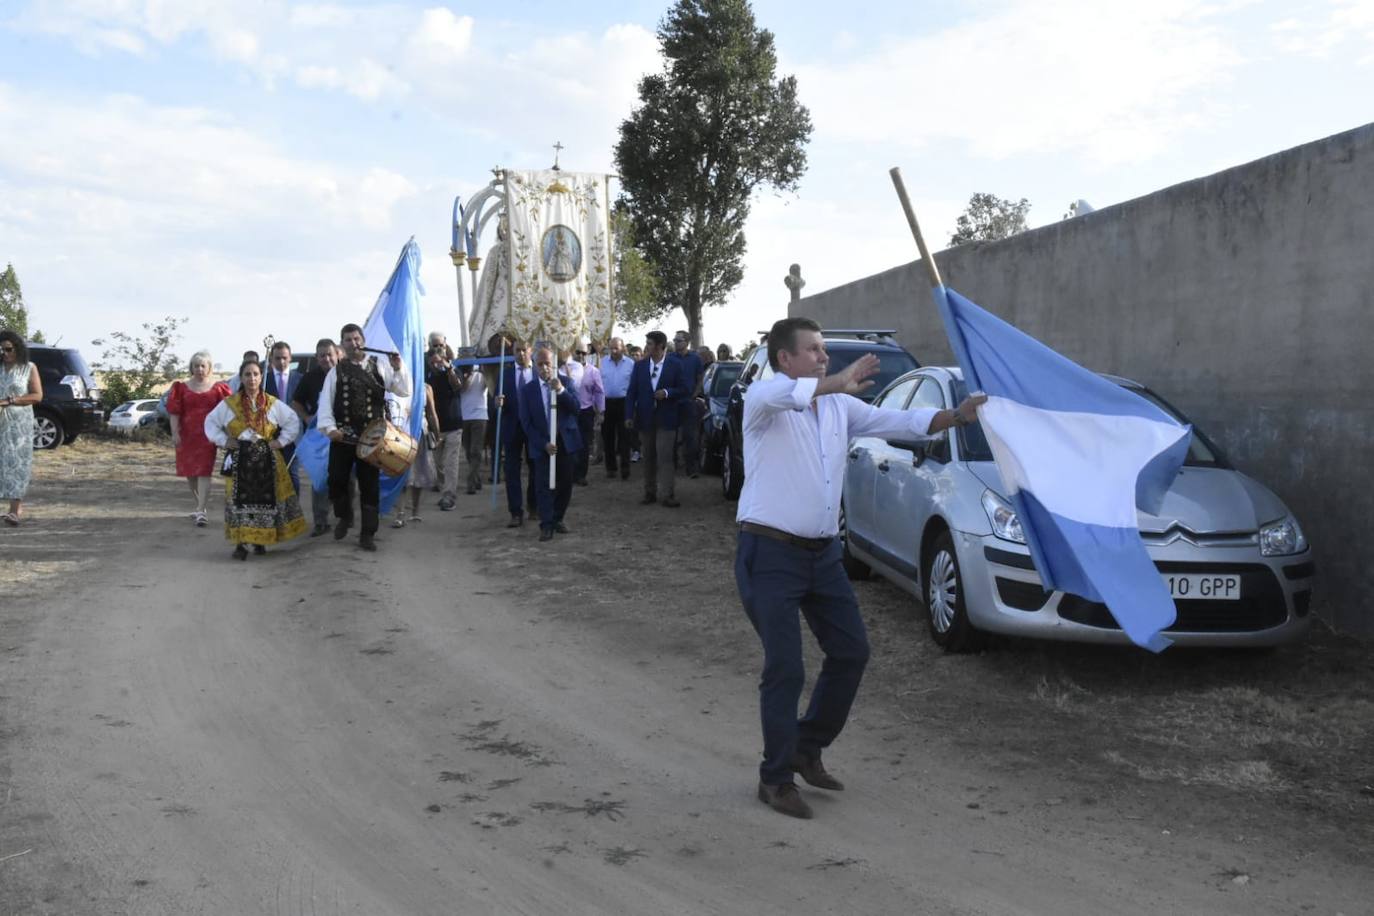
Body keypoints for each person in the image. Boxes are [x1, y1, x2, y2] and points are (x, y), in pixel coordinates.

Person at [736, 317, 985, 819]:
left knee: (851, 652)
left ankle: (807, 748)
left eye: (825, 350)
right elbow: (794, 394)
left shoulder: (839, 407)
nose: (824, 357)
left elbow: (902, 423)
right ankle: (776, 778)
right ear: (785, 359)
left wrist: (956, 416)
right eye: (814, 350)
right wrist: (836, 382)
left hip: (823, 556)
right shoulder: (763, 400)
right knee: (785, 667)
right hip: (770, 556)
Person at [317, 323, 410, 552]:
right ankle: (345, 517)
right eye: (348, 340)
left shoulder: (379, 365)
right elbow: (326, 404)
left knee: (369, 485)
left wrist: (398, 368)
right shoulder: (336, 371)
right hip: (344, 437)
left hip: (372, 438)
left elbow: (403, 390)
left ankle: (368, 533)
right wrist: (330, 429)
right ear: (342, 344)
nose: (353, 343)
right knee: (336, 479)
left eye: (356, 339)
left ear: (363, 340)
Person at [204, 360, 307, 559]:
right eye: (247, 374)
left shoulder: (271, 403)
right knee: (238, 502)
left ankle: (262, 540)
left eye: (256, 374)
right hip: (239, 459)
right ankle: (240, 544)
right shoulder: (229, 404)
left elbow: (292, 421)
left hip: (268, 459)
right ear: (241, 378)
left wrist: (281, 441)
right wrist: (224, 440)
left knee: (267, 499)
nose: (252, 378)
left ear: (261, 377)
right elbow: (210, 423)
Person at [518, 347, 581, 542]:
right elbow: (526, 423)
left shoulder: (566, 382)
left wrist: (561, 390)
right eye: (540, 364)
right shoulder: (528, 390)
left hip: (565, 442)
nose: (544, 368)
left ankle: (557, 518)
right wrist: (543, 443)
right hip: (542, 445)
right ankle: (546, 525)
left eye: (548, 363)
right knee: (543, 485)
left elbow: (576, 408)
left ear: (554, 364)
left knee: (565, 483)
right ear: (534, 365)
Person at [166, 350, 232, 527]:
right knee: (191, 474)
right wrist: (175, 432)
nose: (200, 369)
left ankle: (202, 510)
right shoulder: (180, 387)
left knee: (204, 471)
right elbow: (174, 412)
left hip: (208, 436)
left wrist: (229, 434)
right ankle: (199, 505)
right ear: (191, 367)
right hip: (186, 435)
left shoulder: (219, 388)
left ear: (209, 368)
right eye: (196, 366)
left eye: (203, 366)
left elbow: (228, 412)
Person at [626, 331, 688, 508]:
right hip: (646, 419)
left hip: (667, 419)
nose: (647, 346)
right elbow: (632, 392)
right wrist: (629, 415)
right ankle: (649, 492)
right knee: (649, 457)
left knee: (665, 457)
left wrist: (668, 393)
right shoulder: (640, 366)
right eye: (647, 342)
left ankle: (668, 494)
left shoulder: (675, 364)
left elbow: (684, 388)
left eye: (650, 343)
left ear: (661, 346)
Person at [290, 338, 339, 536]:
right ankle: (320, 522)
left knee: (346, 478)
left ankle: (345, 517)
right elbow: (296, 402)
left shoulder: (346, 374)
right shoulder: (310, 377)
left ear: (337, 355)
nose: (326, 359)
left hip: (344, 435)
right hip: (320, 437)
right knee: (319, 479)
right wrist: (307, 417)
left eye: (329, 354)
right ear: (316, 358)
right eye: (321, 355)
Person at [0, 330, 43, 527]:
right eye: (1, 350)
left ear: (18, 348)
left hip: (18, 424)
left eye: (8, 349)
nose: (5, 353)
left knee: (16, 464)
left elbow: (36, 396)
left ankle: (15, 510)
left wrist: (11, 400)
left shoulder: (28, 368)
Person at [494, 339, 538, 528]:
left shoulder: (538, 373)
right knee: (512, 470)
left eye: (524, 350)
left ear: (530, 351)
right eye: (517, 350)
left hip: (533, 427)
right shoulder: (505, 374)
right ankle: (515, 512)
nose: (521, 354)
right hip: (511, 426)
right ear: (513, 352)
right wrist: (497, 403)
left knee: (536, 467)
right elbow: (495, 402)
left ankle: (534, 506)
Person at [394, 381, 441, 527]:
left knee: (419, 472)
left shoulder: (425, 388)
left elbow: (432, 413)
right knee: (401, 472)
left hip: (420, 432)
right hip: (401, 432)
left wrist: (437, 434)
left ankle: (414, 511)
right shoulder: (397, 385)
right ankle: (401, 512)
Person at [426, 345, 464, 509]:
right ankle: (444, 490)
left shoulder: (454, 372)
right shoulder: (429, 377)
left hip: (454, 425)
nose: (435, 366)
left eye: (437, 362)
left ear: (445, 359)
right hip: (436, 428)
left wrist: (449, 369)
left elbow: (457, 386)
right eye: (432, 363)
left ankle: (449, 496)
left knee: (450, 463)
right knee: (437, 464)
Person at [263, 341, 302, 494]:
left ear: (290, 358)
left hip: (292, 434)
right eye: (277, 358)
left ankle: (293, 510)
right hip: (270, 434)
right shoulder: (263, 380)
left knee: (292, 475)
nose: (281, 362)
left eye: (284, 358)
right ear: (271, 359)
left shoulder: (299, 379)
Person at [599, 337, 634, 480]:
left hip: (624, 403)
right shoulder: (602, 363)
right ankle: (611, 468)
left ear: (623, 348)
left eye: (616, 348)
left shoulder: (631, 364)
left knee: (624, 437)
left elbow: (633, 386)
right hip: (606, 403)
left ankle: (625, 468)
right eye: (611, 348)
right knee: (608, 437)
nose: (613, 351)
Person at [569, 342, 603, 486]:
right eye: (578, 352)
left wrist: (601, 412)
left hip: (586, 411)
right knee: (570, 443)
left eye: (584, 353)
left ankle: (581, 474)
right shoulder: (565, 369)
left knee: (584, 444)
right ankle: (569, 474)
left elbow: (599, 392)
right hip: (570, 410)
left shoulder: (593, 371)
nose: (581, 355)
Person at [671, 330, 704, 478]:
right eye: (675, 340)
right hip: (672, 401)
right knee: (671, 435)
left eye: (679, 340)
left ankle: (692, 468)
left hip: (688, 402)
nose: (676, 343)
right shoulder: (670, 358)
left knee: (690, 436)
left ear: (687, 342)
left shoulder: (695, 359)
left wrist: (695, 394)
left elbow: (700, 378)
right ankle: (672, 465)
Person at [458, 351, 489, 496]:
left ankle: (470, 483)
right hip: (464, 416)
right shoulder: (459, 375)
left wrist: (484, 370)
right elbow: (461, 389)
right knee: (468, 452)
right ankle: (476, 479)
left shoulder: (481, 374)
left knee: (475, 451)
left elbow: (491, 386)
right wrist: (466, 375)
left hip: (480, 415)